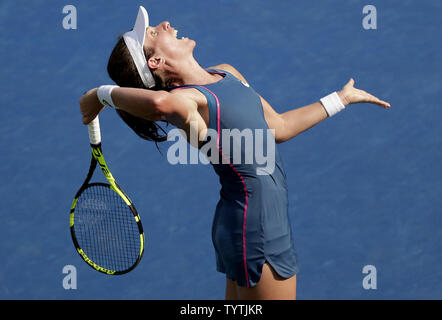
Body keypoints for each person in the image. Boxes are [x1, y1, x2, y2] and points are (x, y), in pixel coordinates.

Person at [79, 6, 390, 300]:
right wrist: (99, 95)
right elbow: (160, 105)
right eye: (152, 33)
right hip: (256, 228)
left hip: (249, 221)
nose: (165, 24)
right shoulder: (189, 103)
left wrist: (340, 99)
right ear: (155, 62)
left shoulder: (226, 73)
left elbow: (278, 127)